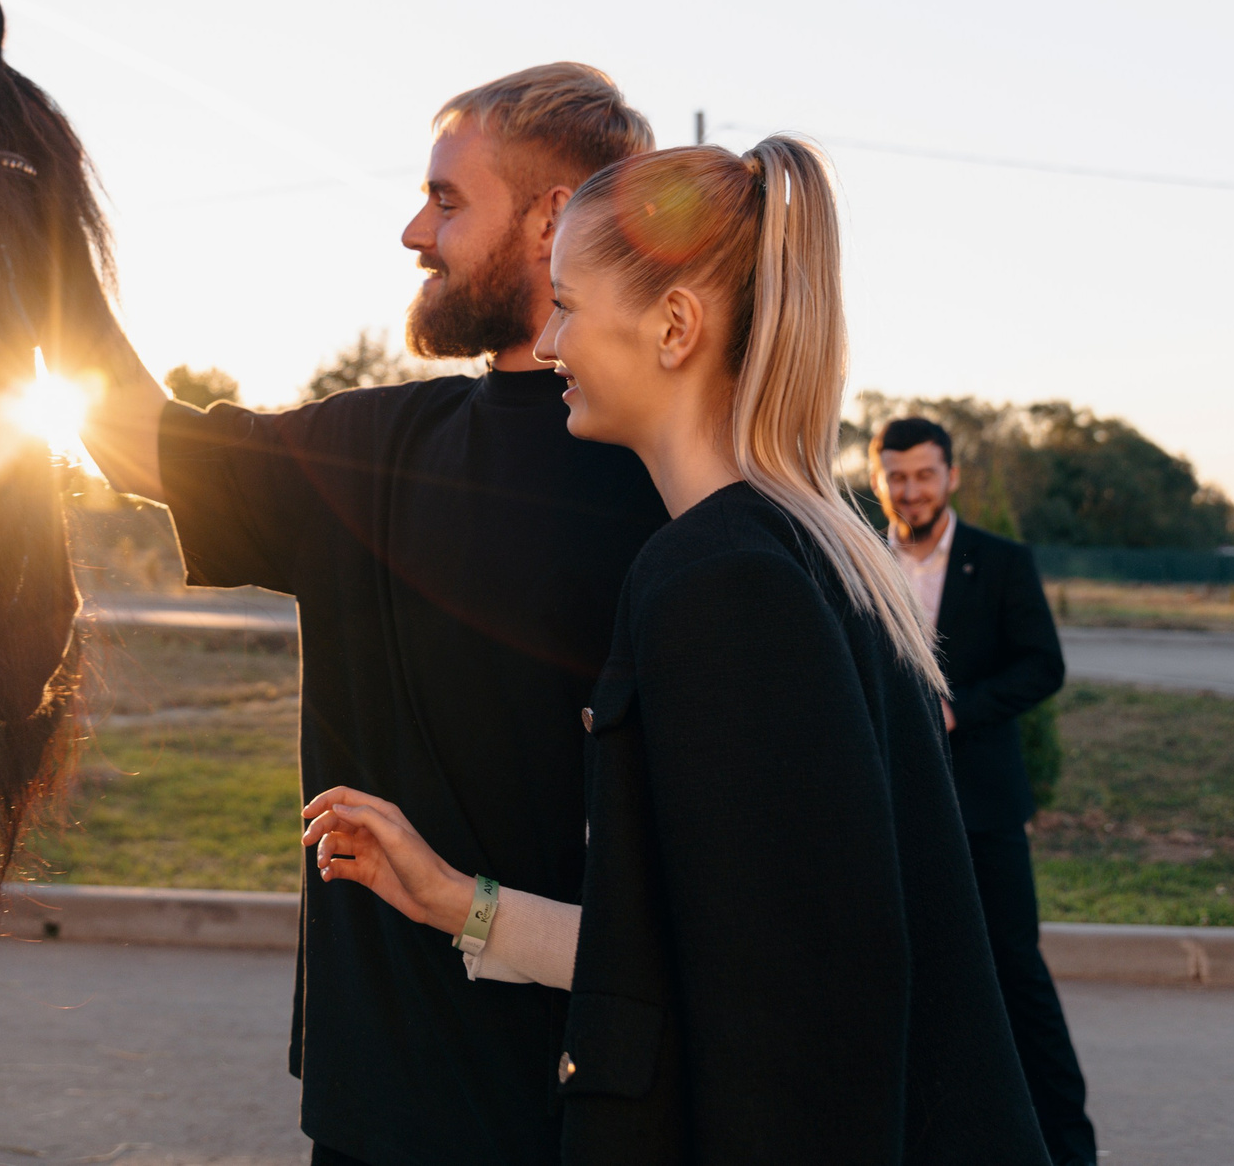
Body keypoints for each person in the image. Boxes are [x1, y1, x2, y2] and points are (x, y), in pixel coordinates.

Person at [300, 140, 1047, 1165]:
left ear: (674, 325)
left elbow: (797, 1044)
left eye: (565, 304)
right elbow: (713, 957)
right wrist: (453, 901)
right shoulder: (805, 548)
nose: (550, 340)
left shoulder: (717, 582)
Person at [76, 65, 672, 1166]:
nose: (414, 230)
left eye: (447, 200)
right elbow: (134, 438)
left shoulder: (689, 490)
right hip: (406, 1109)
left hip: (594, 1110)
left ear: (552, 218)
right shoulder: (374, 446)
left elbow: (115, 429)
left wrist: (38, 238)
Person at [870, 417, 1097, 1166]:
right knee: (900, 975)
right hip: (888, 803)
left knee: (1015, 973)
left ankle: (1068, 1147)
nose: (911, 491)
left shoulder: (1001, 562)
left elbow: (1044, 665)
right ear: (880, 478)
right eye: (896, 476)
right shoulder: (859, 554)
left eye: (924, 475)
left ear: (952, 475)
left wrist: (956, 707)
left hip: (985, 804)